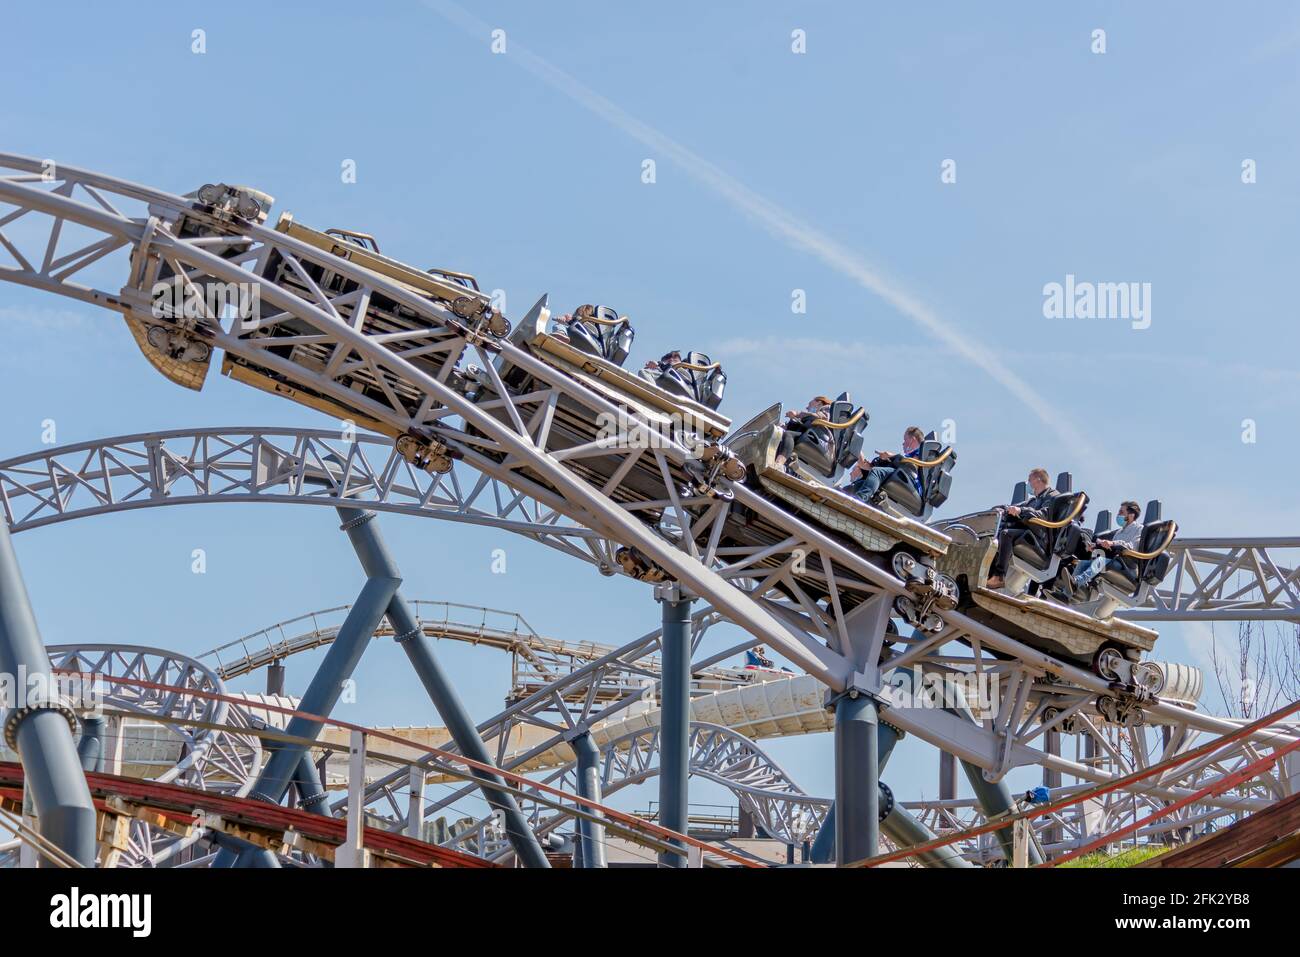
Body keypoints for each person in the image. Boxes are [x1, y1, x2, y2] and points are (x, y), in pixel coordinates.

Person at [986, 467, 1059, 590]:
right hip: (1029, 534)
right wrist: (1001, 508)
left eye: (1029, 480)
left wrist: (1021, 511)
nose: (1028, 483)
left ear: (1037, 480)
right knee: (997, 533)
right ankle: (988, 575)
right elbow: (1013, 507)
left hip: (1040, 540)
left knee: (1006, 534)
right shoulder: (1032, 501)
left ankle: (999, 576)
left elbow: (1044, 515)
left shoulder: (1053, 496)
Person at [1071, 500, 1144, 592]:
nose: (1118, 514)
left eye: (1121, 512)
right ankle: (1067, 592)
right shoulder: (1119, 532)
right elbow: (1111, 550)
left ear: (1131, 515)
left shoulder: (1139, 529)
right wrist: (1095, 546)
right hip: (1115, 560)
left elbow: (1132, 547)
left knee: (1100, 561)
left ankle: (1077, 581)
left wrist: (1112, 543)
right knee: (1082, 563)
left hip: (1127, 565)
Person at [840, 426, 926, 504]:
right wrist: (855, 445)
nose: (903, 444)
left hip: (911, 483)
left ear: (912, 440)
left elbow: (913, 465)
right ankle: (841, 495)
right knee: (860, 484)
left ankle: (859, 500)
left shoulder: (922, 452)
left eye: (905, 440)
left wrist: (891, 456)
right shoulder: (905, 459)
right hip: (901, 477)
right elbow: (865, 465)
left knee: (877, 472)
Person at [773, 396, 833, 470]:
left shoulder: (828, 408)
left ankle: (778, 464)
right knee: (782, 438)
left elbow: (823, 417)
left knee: (789, 435)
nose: (807, 407)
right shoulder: (807, 419)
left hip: (822, 442)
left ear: (819, 402)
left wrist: (797, 413)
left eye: (809, 404)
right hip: (811, 437)